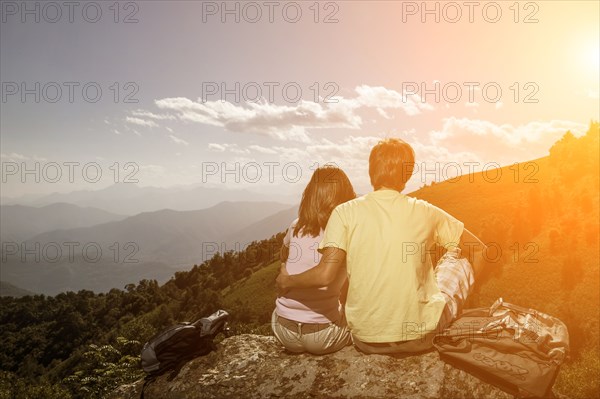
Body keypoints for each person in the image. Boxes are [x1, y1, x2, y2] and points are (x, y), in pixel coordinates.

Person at [276, 138, 486, 354]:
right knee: (456, 258)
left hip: (364, 340)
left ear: (371, 172)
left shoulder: (344, 212)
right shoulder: (427, 211)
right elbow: (478, 249)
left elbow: (325, 273)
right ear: (407, 175)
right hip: (419, 337)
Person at [272, 165, 356, 354]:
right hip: (322, 334)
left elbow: (283, 252)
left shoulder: (296, 225)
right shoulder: (344, 231)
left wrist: (285, 269)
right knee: (361, 322)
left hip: (283, 329)